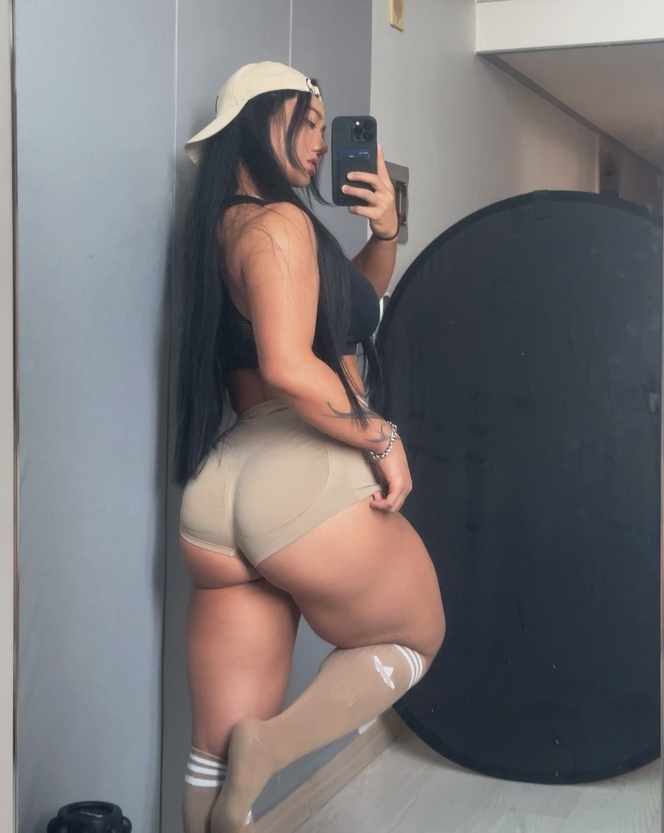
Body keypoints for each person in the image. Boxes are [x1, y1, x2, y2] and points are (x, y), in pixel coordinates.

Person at [174, 61, 445, 833]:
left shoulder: (224, 225)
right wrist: (380, 434)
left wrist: (384, 232)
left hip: (222, 486)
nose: (324, 141)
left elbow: (341, 312)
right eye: (312, 120)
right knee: (416, 634)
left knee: (213, 750)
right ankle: (273, 747)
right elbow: (293, 364)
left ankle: (243, 762)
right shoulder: (280, 225)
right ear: (264, 118)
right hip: (298, 473)